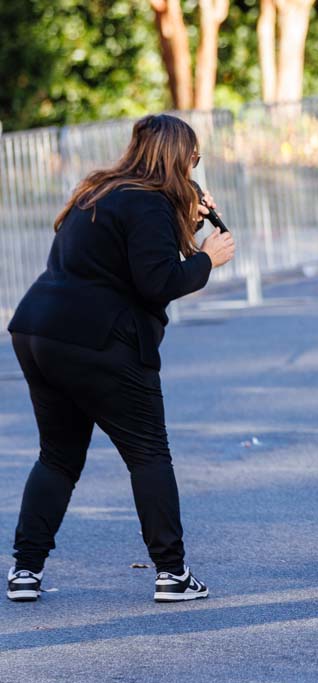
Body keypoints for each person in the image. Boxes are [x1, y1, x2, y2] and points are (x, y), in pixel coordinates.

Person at [6, 114, 235, 603]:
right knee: (148, 453)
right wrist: (206, 258)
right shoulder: (149, 203)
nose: (195, 168)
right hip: (99, 339)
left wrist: (185, 225)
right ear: (179, 158)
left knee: (58, 456)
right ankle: (172, 573)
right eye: (194, 159)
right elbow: (158, 282)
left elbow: (122, 262)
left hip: (38, 329)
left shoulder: (99, 191)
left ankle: (25, 570)